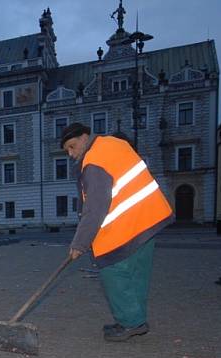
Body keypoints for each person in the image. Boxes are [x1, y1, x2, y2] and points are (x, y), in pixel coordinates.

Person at [61, 122, 173, 342]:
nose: (72, 154)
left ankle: (130, 323)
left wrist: (79, 244)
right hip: (149, 219)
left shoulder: (94, 161)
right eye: (67, 151)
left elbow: (94, 208)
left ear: (85, 137)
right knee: (136, 275)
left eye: (72, 146)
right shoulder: (114, 144)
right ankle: (134, 320)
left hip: (127, 226)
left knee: (114, 273)